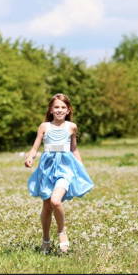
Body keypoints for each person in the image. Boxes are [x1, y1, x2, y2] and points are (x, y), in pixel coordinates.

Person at [24, 93, 94, 254]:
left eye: (63, 107)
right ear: (50, 109)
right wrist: (30, 157)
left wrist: (81, 168)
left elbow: (74, 149)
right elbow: (35, 147)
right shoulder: (44, 127)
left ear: (68, 110)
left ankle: (62, 232)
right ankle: (46, 241)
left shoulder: (72, 127)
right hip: (47, 168)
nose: (60, 110)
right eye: (56, 107)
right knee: (47, 206)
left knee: (56, 201)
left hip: (66, 167)